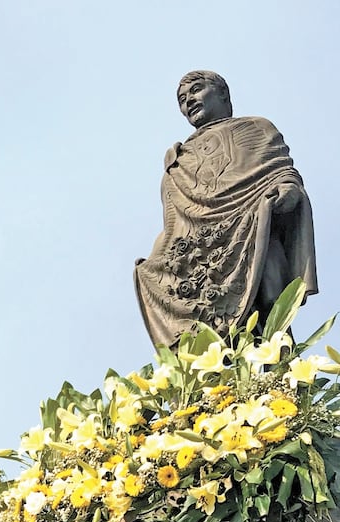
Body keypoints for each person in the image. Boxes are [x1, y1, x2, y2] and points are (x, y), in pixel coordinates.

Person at [134, 71, 317, 347]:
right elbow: (174, 226)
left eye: (196, 90)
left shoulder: (255, 129)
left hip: (255, 228)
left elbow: (280, 171)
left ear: (222, 94)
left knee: (271, 302)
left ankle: (281, 378)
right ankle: (223, 388)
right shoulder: (178, 163)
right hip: (203, 254)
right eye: (182, 100)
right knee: (210, 340)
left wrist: (287, 189)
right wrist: (155, 261)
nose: (189, 101)